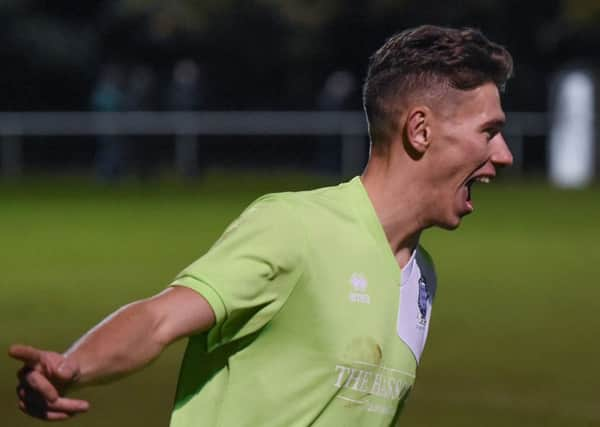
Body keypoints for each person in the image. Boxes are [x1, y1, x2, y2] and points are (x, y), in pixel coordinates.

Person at [9, 25, 514, 426]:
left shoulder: (422, 276)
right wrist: (73, 367)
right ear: (420, 130)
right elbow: (160, 318)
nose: (504, 155)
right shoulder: (295, 228)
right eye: (489, 132)